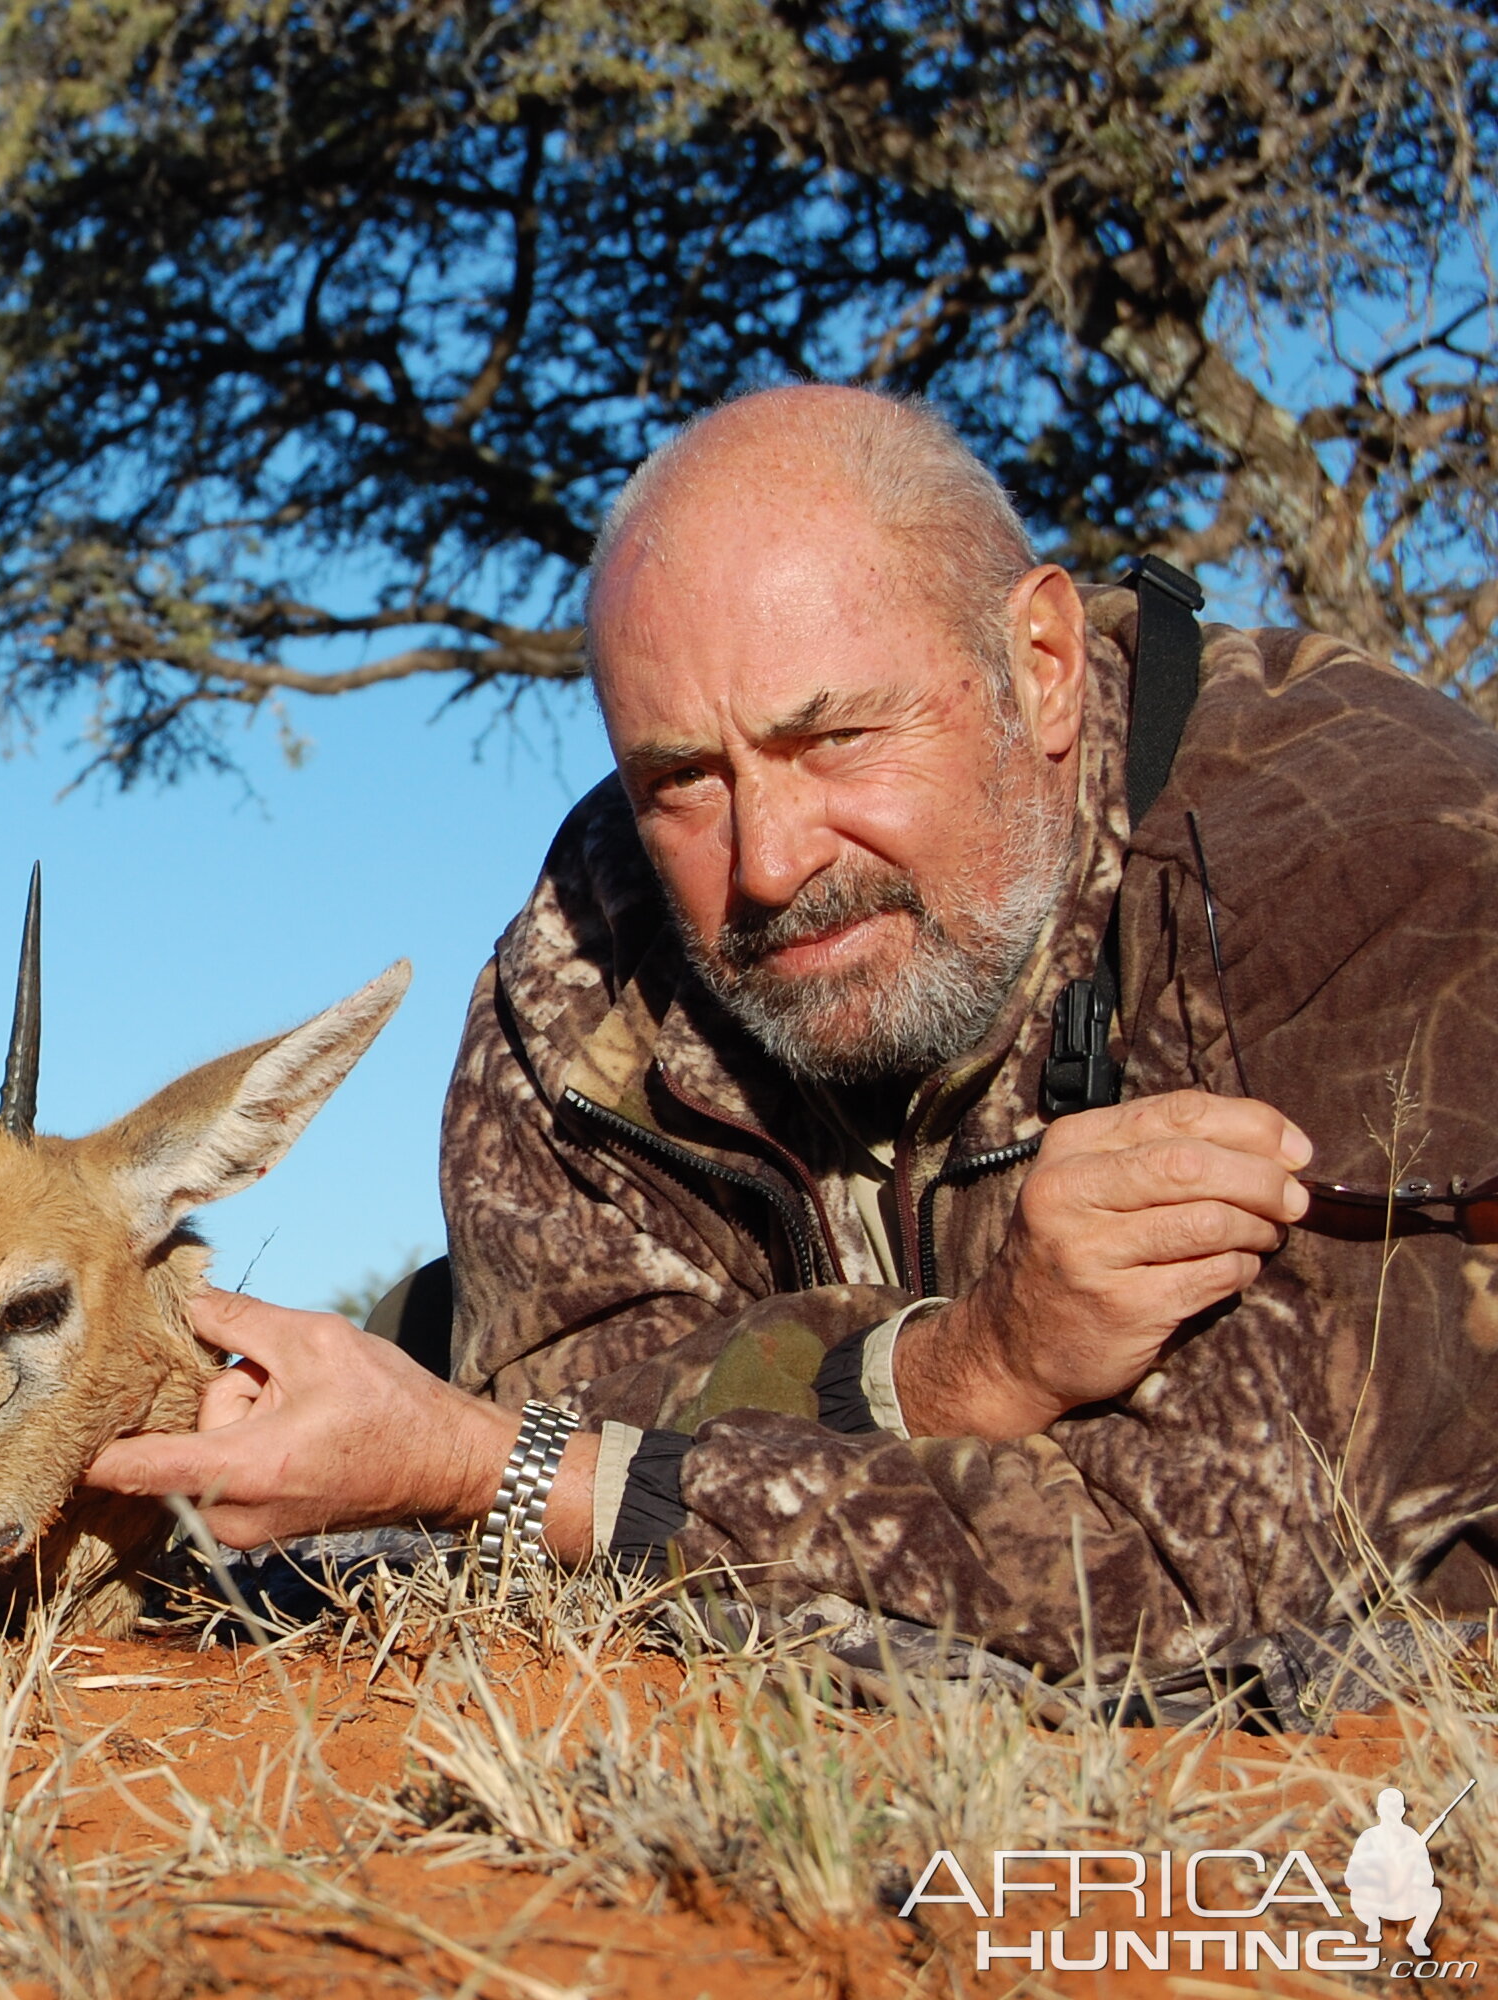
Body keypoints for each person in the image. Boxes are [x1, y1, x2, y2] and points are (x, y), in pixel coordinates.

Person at [85, 384, 1498, 1680]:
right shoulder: (591, 945)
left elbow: (1183, 1571)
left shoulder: (1371, 862)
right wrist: (969, 1368)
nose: (767, 861)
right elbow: (563, 1387)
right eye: (684, 778)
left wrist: (497, 1478)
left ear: (1047, 663)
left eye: (837, 742)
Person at [1347, 1788, 1443, 1957]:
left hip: (1405, 1901)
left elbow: (1427, 1876)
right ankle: (1373, 1927)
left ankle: (1417, 1937)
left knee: (1433, 1895)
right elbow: (1352, 1876)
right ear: (1379, 1811)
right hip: (1374, 1902)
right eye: (1387, 1810)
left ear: (1401, 1811)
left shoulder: (1412, 1837)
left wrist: (1409, 1873)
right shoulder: (1369, 1837)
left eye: (1394, 1810)